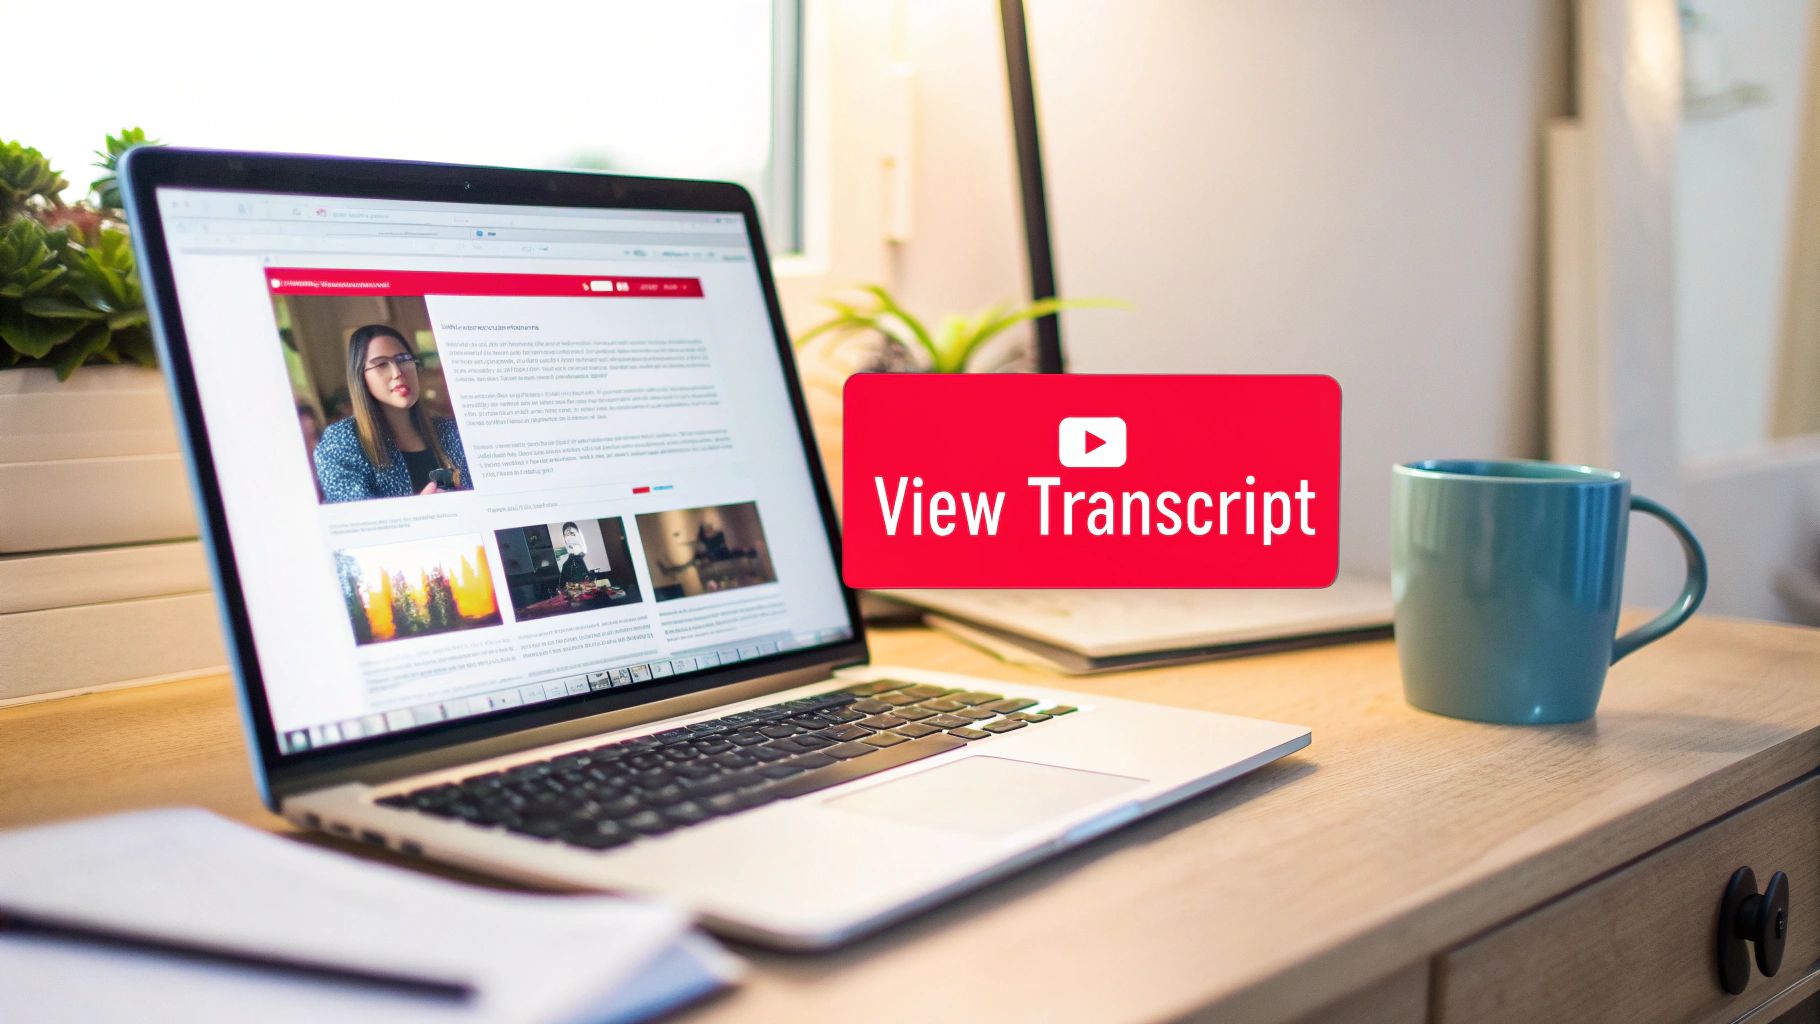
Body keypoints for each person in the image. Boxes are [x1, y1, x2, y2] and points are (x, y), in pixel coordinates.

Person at [314, 325, 471, 503]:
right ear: (360, 377)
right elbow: (358, 521)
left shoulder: (451, 431)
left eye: (403, 359)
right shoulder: (341, 441)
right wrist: (421, 510)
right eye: (381, 364)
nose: (397, 373)